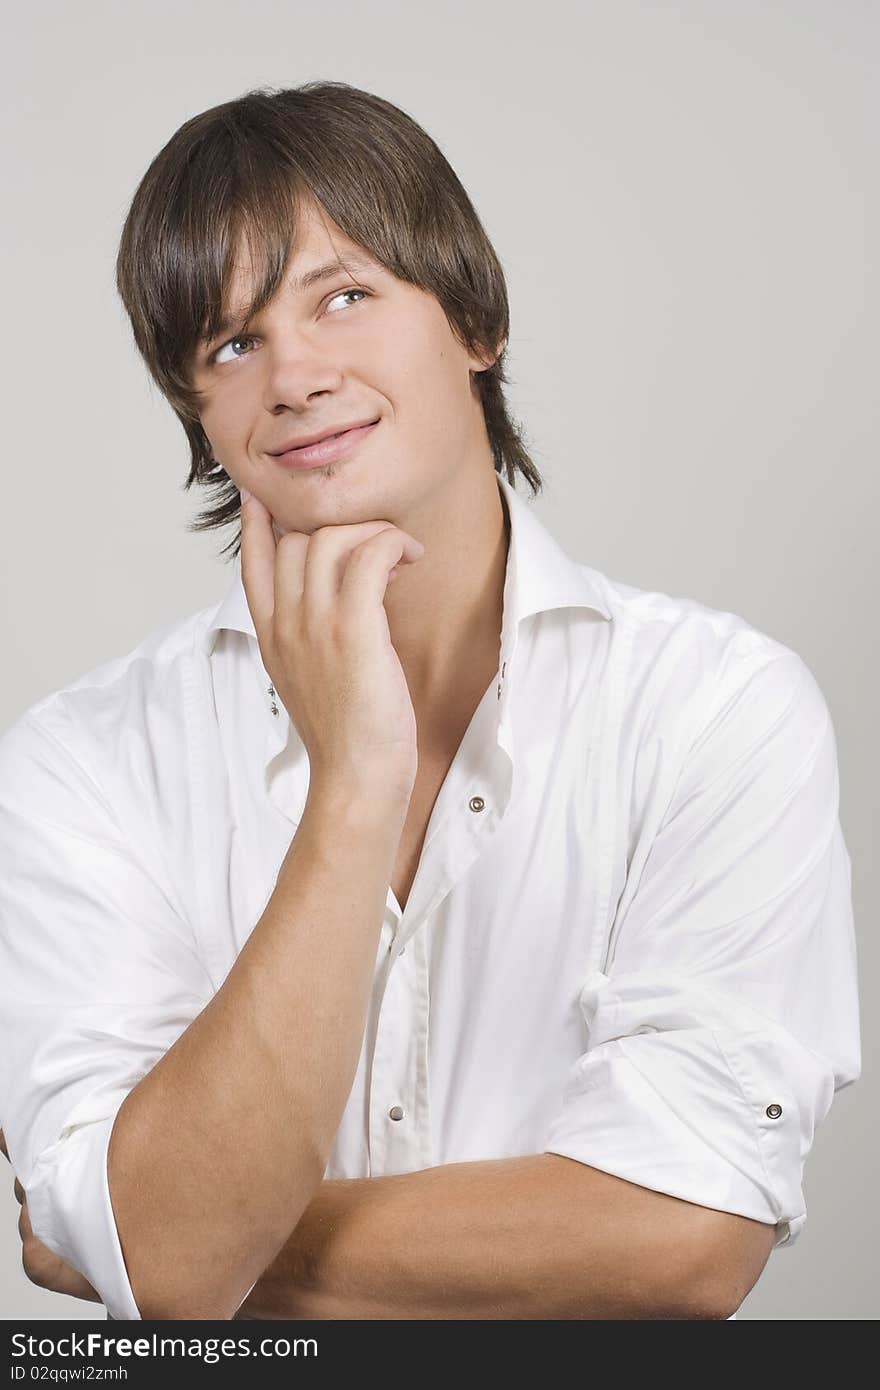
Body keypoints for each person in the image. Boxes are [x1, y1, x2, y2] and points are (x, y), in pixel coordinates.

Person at [0, 81, 860, 1322]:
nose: (293, 375)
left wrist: (180, 1235)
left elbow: (681, 1246)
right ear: (202, 412)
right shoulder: (79, 765)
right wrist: (353, 784)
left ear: (473, 319)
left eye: (343, 296)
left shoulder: (713, 706)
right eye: (231, 343)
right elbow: (173, 1253)